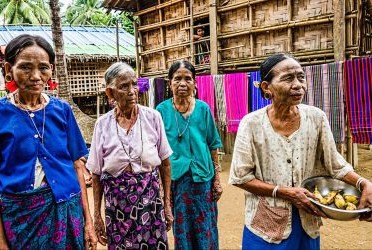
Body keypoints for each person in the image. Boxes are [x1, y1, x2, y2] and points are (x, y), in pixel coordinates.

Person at [229, 53, 372, 250]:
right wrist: (285, 193)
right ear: (266, 87)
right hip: (266, 224)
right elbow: (240, 177)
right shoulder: (251, 124)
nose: (298, 84)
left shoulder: (317, 118)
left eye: (301, 77)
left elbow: (335, 165)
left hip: (307, 220)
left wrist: (363, 183)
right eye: (288, 78)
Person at [0, 34, 98, 249]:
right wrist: (0, 240)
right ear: (9, 69)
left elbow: (77, 167)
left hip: (66, 210)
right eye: (26, 67)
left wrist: (88, 223)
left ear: (51, 69)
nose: (36, 76)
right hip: (21, 215)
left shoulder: (62, 110)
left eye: (43, 67)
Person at [87, 62, 173, 249]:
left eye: (134, 84)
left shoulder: (153, 117)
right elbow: (95, 174)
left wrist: (167, 204)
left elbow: (165, 164)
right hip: (117, 208)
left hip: (151, 203)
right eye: (124, 86)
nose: (132, 91)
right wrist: (97, 216)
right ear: (110, 93)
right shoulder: (102, 124)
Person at [156, 60, 223, 250]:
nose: (183, 83)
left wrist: (217, 179)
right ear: (170, 83)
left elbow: (213, 144)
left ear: (195, 83)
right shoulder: (161, 111)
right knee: (182, 227)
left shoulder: (203, 109)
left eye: (188, 79)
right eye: (177, 79)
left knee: (206, 226)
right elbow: (158, 151)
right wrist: (163, 187)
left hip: (202, 179)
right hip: (176, 180)